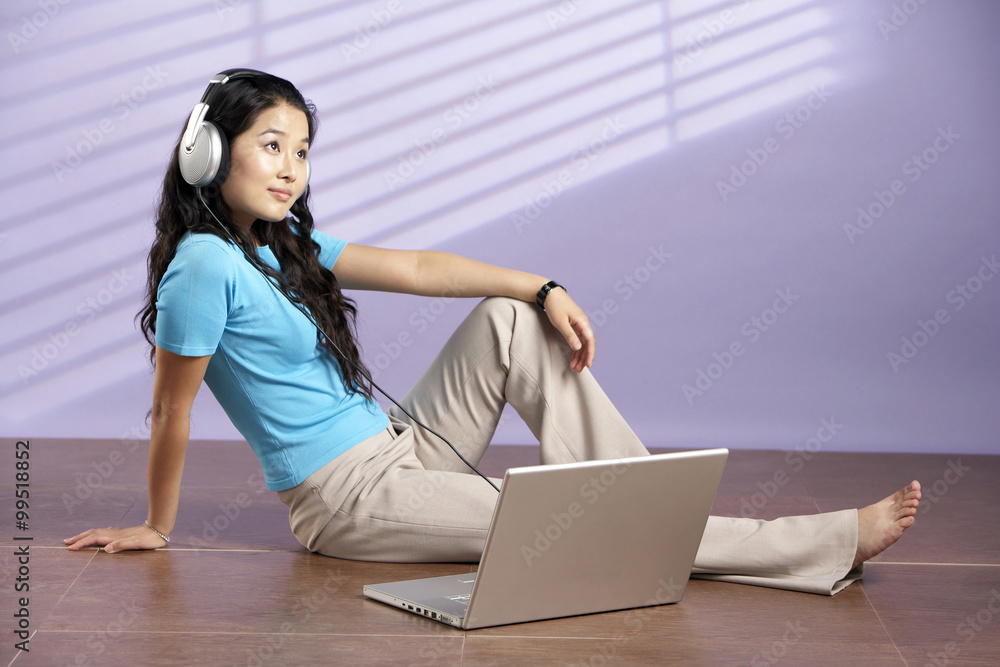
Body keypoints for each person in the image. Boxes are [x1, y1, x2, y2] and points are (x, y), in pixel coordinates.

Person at [65, 70, 921, 595]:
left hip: (401, 447)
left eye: (303, 150)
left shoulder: (282, 245)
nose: (292, 167)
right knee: (567, 518)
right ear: (208, 154)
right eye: (272, 144)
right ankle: (821, 543)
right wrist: (157, 525)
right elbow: (169, 412)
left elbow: (417, 270)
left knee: (511, 321)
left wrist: (543, 285)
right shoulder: (202, 270)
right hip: (349, 501)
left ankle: (641, 495)